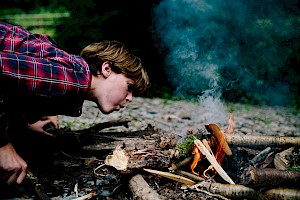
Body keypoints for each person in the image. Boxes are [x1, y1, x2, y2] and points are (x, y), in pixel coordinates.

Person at [0, 21, 149, 185]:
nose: (130, 98)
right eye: (129, 87)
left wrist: (23, 125)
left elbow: (10, 93)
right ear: (107, 69)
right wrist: (3, 144)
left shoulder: (71, 75)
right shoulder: (71, 79)